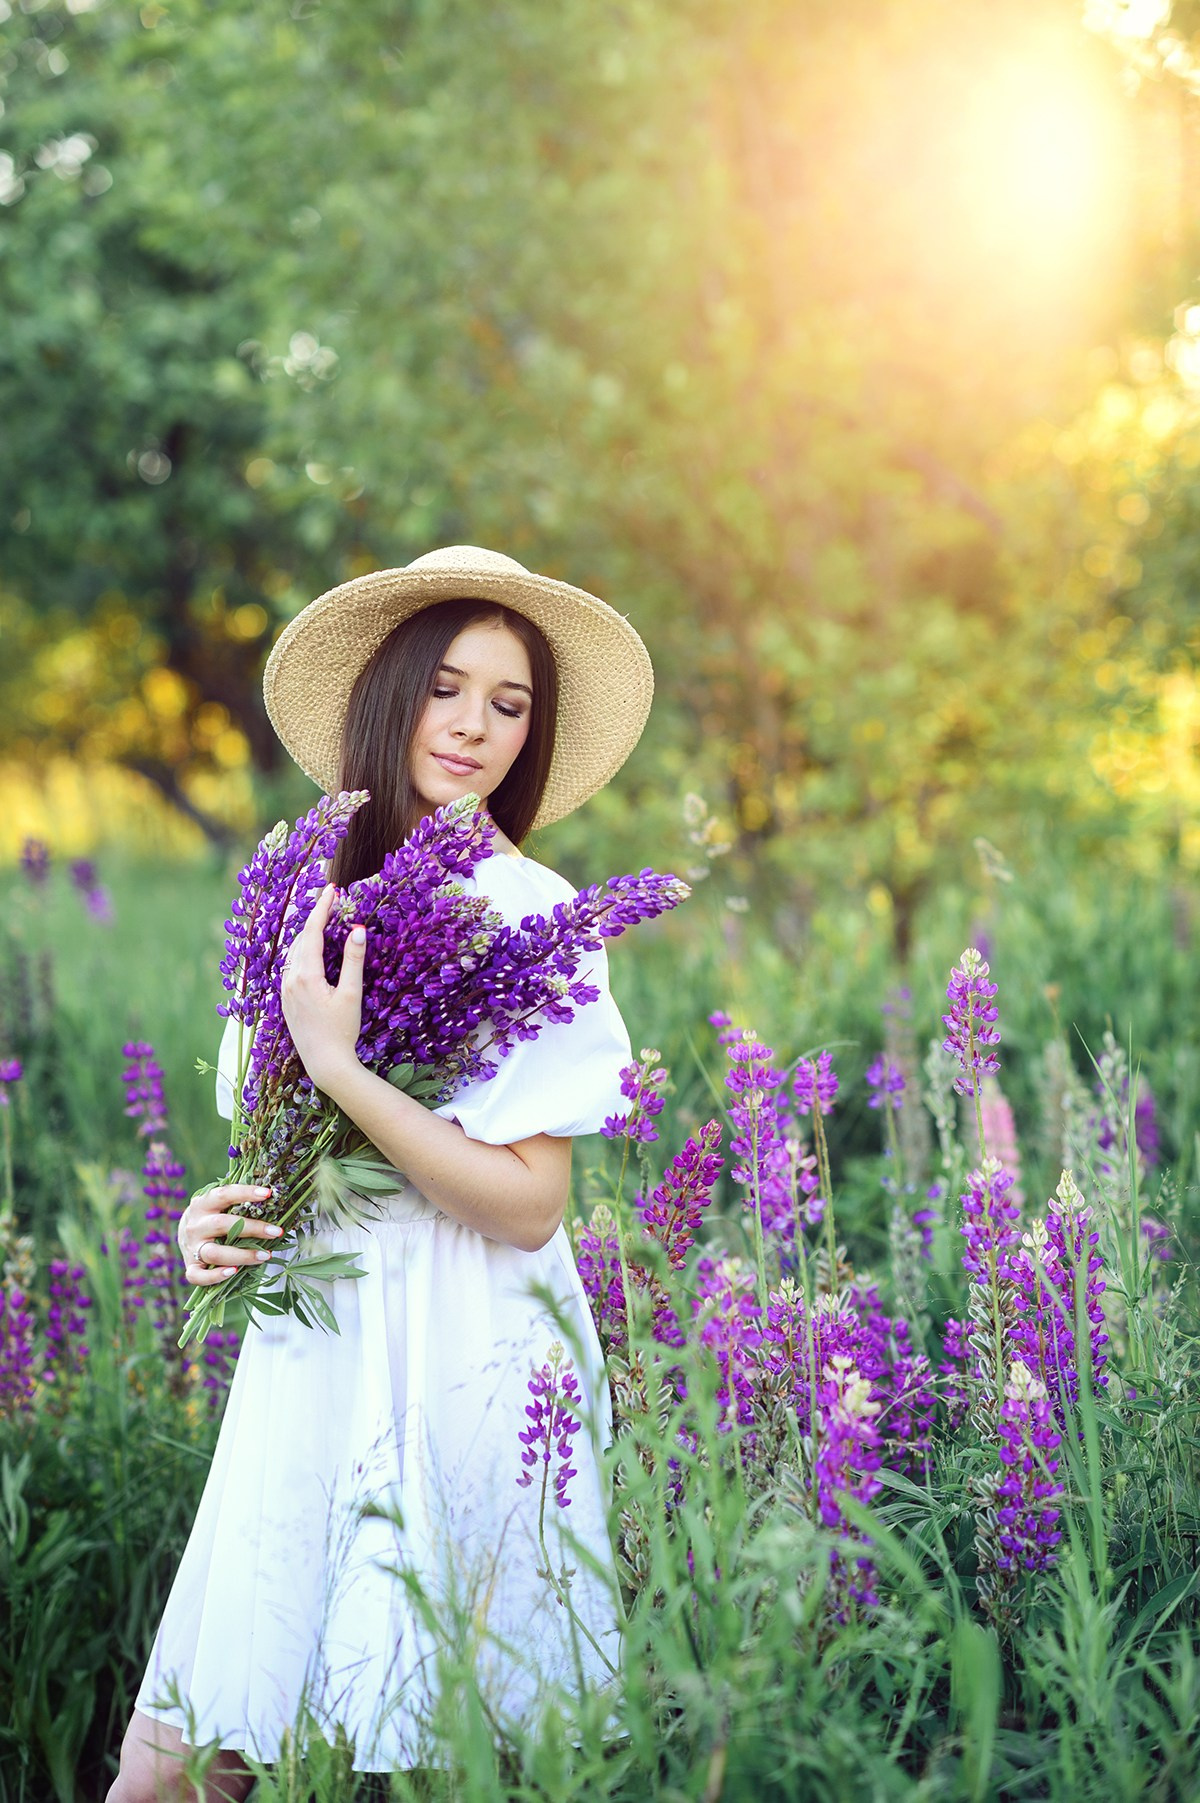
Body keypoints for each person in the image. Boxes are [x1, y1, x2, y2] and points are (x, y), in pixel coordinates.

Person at [108, 545, 655, 1801]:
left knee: (463, 1749)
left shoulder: (533, 912)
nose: (473, 725)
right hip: (315, 1351)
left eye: (508, 703)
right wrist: (214, 1221)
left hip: (463, 1343)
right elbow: (275, 1138)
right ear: (390, 693)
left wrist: (346, 1073)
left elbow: (530, 1208)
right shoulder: (304, 893)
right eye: (446, 688)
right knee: (184, 1758)